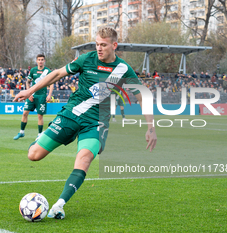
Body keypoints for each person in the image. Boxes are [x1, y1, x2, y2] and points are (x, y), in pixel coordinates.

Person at [13, 26, 157, 219]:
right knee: (34, 155)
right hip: (71, 114)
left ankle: (59, 205)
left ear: (114, 45)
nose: (99, 48)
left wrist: (151, 128)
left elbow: (142, 97)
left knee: (85, 158)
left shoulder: (124, 69)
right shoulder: (86, 59)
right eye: (97, 44)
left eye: (103, 45)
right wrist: (29, 91)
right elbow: (56, 74)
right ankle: (42, 139)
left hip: (96, 122)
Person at [13, 54, 54, 140]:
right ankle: (21, 132)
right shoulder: (33, 70)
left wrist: (49, 95)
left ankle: (39, 135)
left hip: (42, 96)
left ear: (44, 61)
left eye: (42, 59)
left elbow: (51, 84)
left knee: (40, 116)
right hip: (32, 95)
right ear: (36, 61)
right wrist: (29, 93)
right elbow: (28, 82)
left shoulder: (47, 71)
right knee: (24, 113)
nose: (40, 61)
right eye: (39, 59)